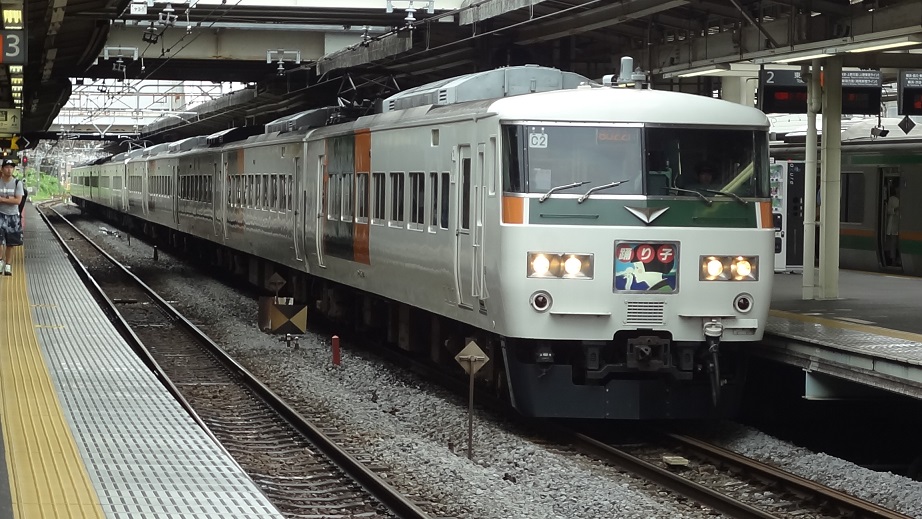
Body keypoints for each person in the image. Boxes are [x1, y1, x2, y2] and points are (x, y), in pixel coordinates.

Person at [0, 158, 24, 276]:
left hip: (13, 216)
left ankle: (8, 265)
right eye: (7, 167)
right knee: (0, 241)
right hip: (0, 214)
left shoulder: (17, 183)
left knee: (11, 243)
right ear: (2, 169)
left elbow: (18, 201)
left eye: (11, 167)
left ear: (14, 169)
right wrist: (10, 199)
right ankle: (0, 261)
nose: (9, 170)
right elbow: (14, 199)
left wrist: (2, 199)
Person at [886, 184, 900, 266]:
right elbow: (888, 210)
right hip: (893, 224)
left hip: (898, 224)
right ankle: (893, 260)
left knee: (895, 243)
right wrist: (895, 209)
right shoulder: (892, 199)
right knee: (893, 243)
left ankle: (895, 259)